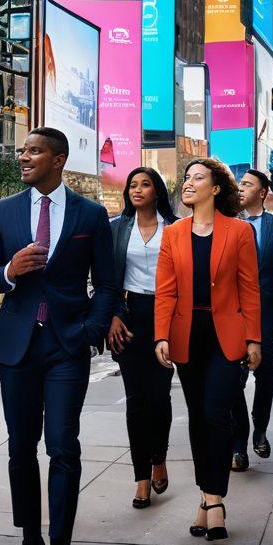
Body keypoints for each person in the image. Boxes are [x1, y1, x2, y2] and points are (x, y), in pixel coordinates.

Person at [0, 127, 115, 545]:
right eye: (21, 151)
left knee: (63, 447)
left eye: (33, 151)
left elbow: (108, 284)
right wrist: (9, 273)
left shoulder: (91, 215)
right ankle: (29, 543)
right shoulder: (5, 210)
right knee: (20, 450)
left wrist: (91, 332)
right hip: (17, 346)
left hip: (65, 347)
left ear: (59, 158)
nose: (23, 157)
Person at [154, 158, 261, 543]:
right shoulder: (173, 233)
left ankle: (214, 501)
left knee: (217, 413)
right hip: (186, 333)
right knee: (198, 416)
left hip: (226, 334)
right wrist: (160, 334)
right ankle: (206, 497)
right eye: (186, 177)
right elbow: (166, 289)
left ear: (216, 189)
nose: (188, 182)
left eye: (198, 178)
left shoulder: (240, 232)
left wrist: (254, 338)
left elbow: (250, 288)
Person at [107, 167, 177, 508]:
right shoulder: (116, 229)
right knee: (136, 400)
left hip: (166, 316)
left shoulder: (176, 228)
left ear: (157, 191)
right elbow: (105, 280)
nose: (137, 190)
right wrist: (113, 316)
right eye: (132, 185)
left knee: (160, 396)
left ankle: (159, 456)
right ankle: (141, 477)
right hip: (130, 315)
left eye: (145, 184)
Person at [231, 170, 273, 472]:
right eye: (240, 184)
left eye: (247, 184)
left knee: (264, 376)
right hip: (233, 315)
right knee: (234, 381)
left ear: (262, 192)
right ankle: (238, 445)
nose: (241, 188)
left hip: (267, 313)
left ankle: (260, 429)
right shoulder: (229, 224)